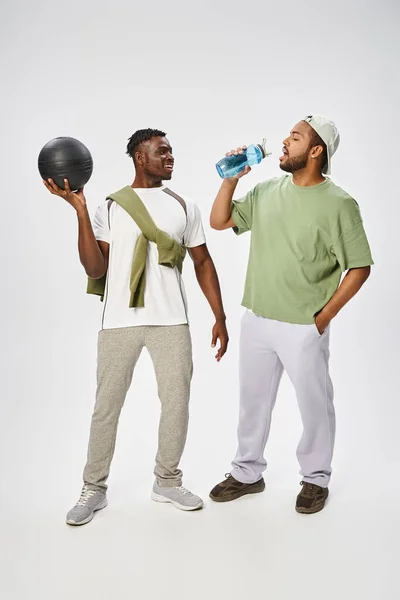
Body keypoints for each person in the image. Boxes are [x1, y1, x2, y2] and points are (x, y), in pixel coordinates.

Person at [44, 128, 229, 525]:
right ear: (139, 158)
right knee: (106, 407)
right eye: (161, 151)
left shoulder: (184, 205)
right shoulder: (109, 207)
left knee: (176, 403)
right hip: (119, 321)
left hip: (171, 320)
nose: (170, 156)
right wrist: (79, 211)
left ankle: (167, 480)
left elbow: (203, 262)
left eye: (171, 150)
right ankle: (93, 488)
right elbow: (96, 268)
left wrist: (220, 315)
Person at [209, 115, 373, 514]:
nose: (285, 141)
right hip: (257, 318)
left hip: (304, 324)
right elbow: (219, 221)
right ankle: (248, 473)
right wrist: (231, 177)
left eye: (295, 138)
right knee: (253, 401)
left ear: (315, 151)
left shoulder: (340, 204)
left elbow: (360, 267)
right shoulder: (267, 190)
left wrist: (323, 317)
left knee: (314, 403)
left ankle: (316, 478)